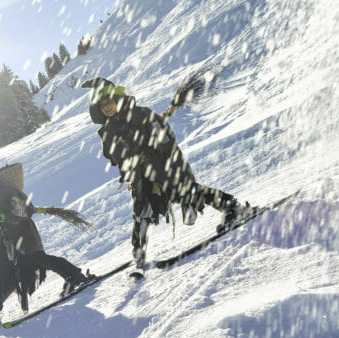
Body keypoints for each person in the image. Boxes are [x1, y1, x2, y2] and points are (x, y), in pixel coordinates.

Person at [82, 77, 252, 271]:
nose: (107, 107)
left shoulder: (141, 114)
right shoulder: (107, 131)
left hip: (164, 166)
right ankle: (138, 250)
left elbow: (166, 139)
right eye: (102, 105)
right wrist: (128, 166)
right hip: (139, 175)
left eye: (109, 101)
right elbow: (114, 157)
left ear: (118, 99)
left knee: (184, 192)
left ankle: (234, 208)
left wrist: (152, 149)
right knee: (141, 207)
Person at [0, 138, 91, 328]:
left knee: (37, 260)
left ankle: (76, 277)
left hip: (23, 234)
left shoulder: (5, 190)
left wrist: (6, 216)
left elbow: (26, 210)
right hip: (1, 242)